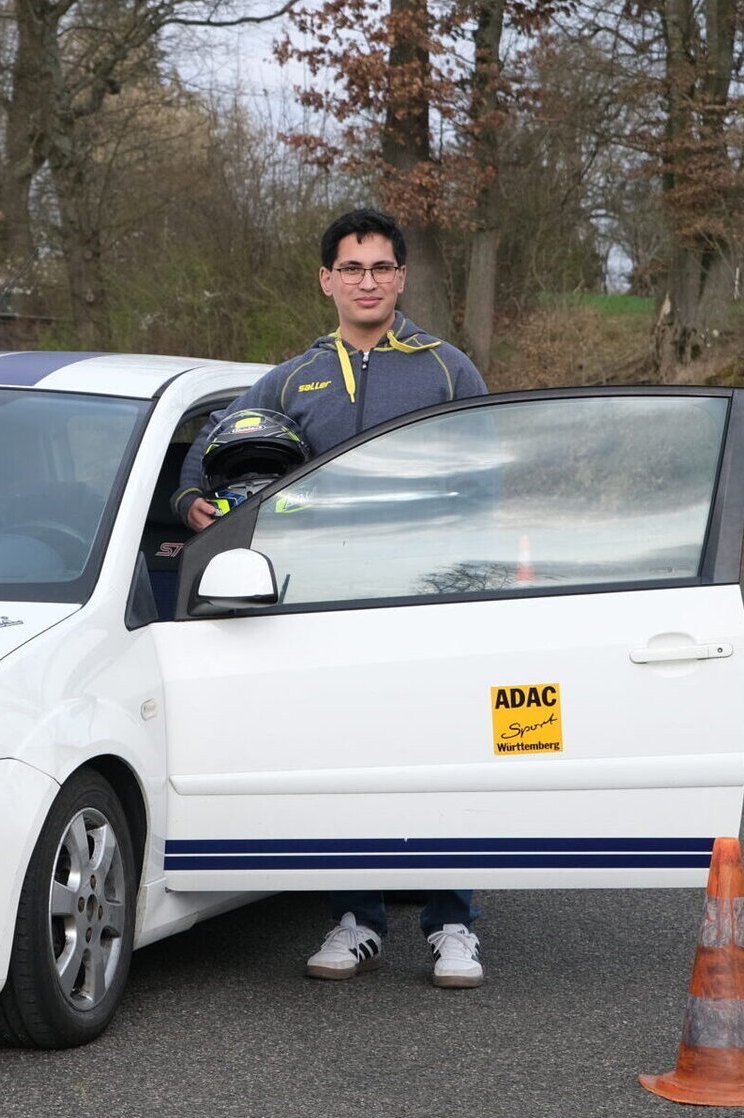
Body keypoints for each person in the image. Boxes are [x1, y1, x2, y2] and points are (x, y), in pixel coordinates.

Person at [171, 206, 489, 988]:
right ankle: (358, 918)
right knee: (348, 752)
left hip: (426, 598)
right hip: (328, 601)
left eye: (381, 267)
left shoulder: (449, 368)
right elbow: (202, 466)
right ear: (327, 279)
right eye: (352, 268)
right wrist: (194, 509)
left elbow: (489, 479)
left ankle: (453, 924)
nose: (368, 281)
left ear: (402, 277)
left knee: (435, 752)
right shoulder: (287, 379)